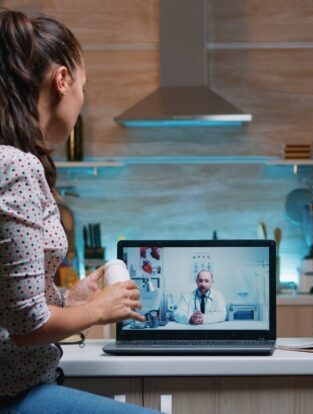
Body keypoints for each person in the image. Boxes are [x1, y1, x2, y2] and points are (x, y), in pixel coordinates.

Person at [0, 9, 160, 414]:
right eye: (83, 87)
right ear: (62, 80)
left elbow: (13, 306)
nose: (81, 102)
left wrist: (69, 300)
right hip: (12, 392)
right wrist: (96, 311)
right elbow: (26, 329)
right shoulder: (15, 166)